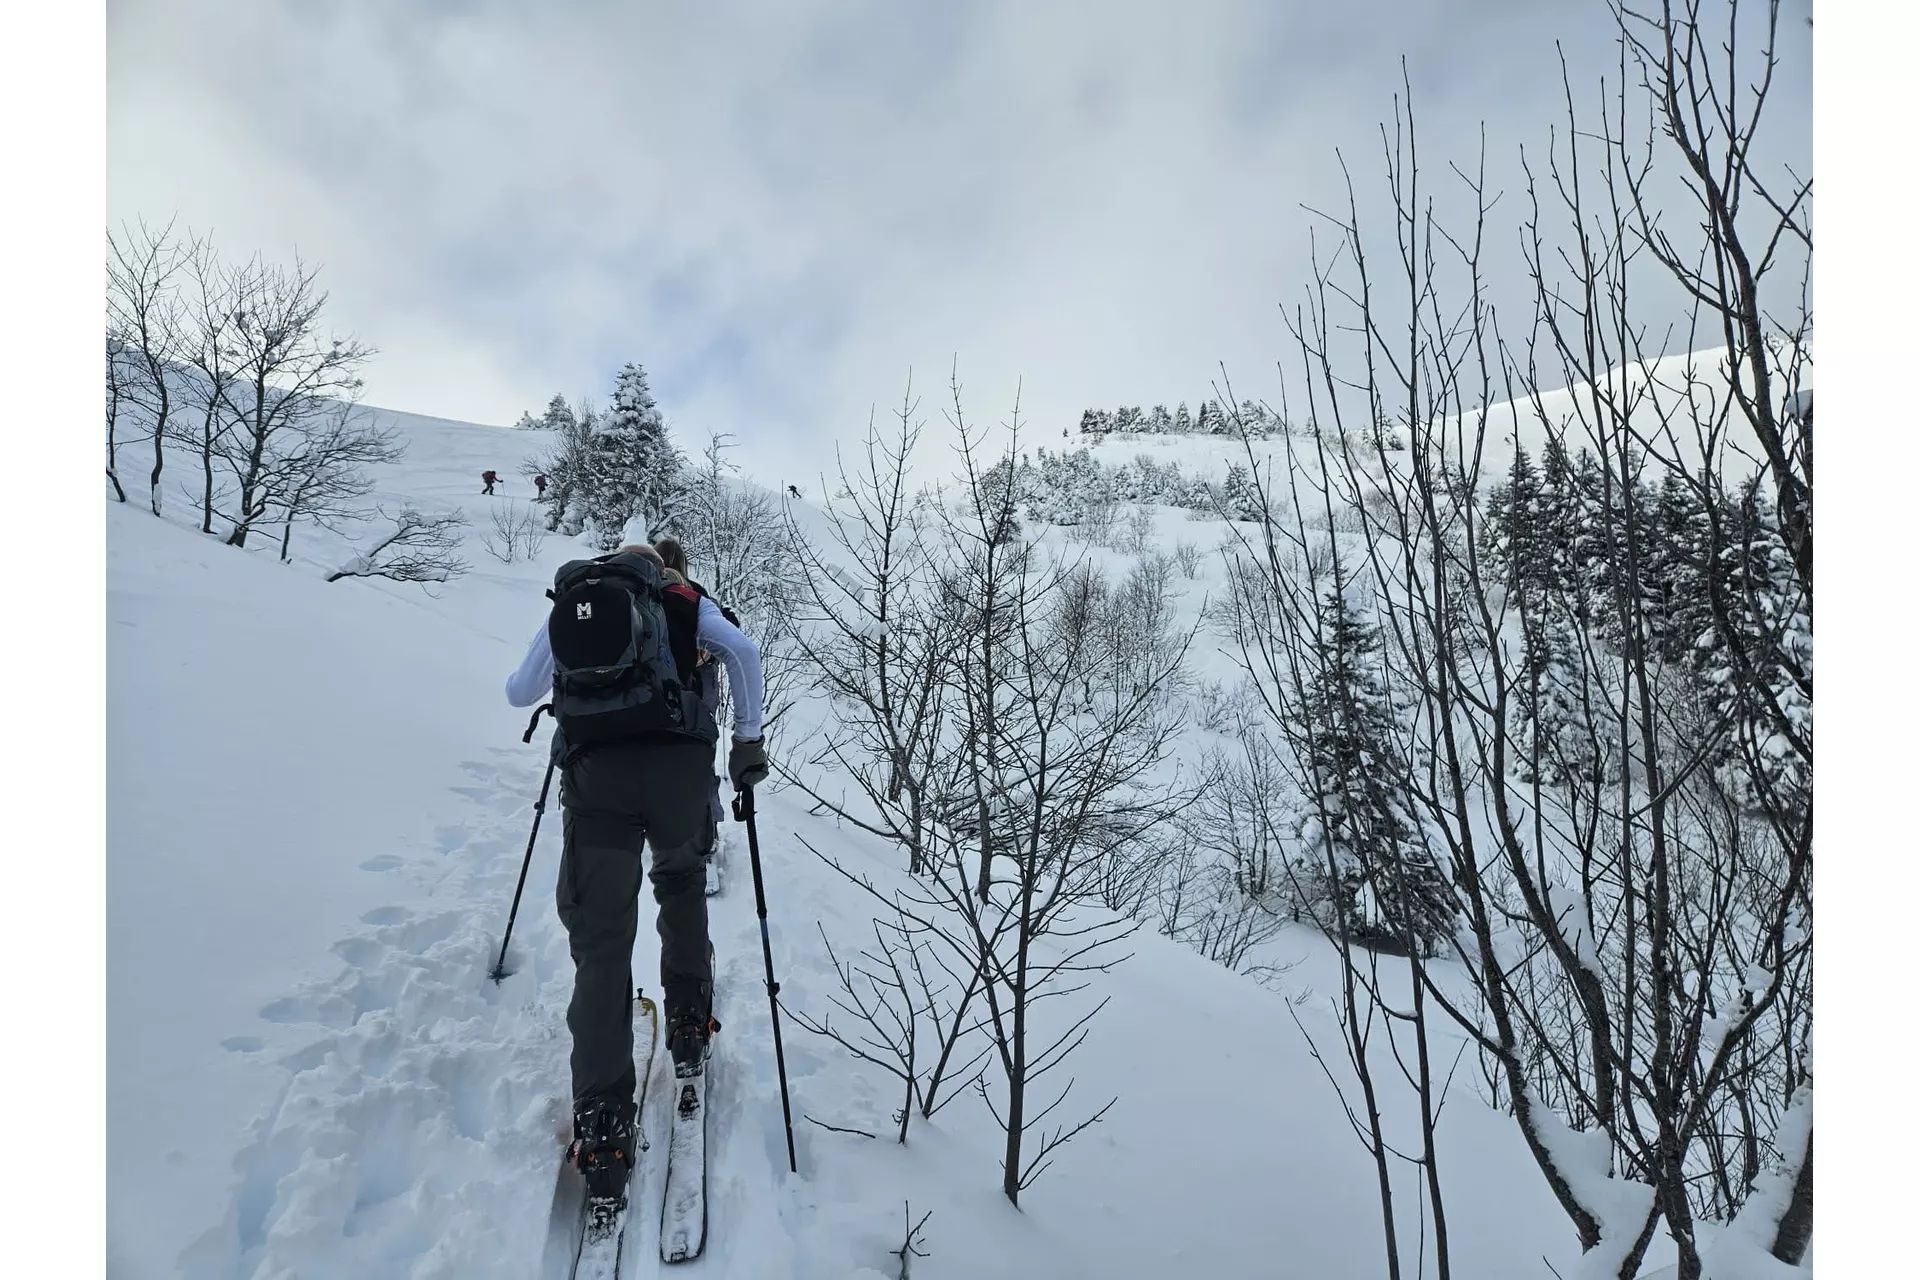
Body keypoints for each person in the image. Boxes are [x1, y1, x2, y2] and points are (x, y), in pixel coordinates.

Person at [504, 542, 769, 1202]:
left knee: (600, 950)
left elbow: (518, 693)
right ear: (664, 568)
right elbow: (746, 653)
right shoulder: (684, 602)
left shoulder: (579, 602)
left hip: (596, 784)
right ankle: (687, 1024)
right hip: (678, 775)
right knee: (680, 885)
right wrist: (747, 741)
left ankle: (601, 1124)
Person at [652, 536, 739, 874]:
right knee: (699, 766)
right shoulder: (697, 597)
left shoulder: (640, 595)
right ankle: (705, 836)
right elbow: (731, 640)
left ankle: (657, 828)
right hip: (697, 695)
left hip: (649, 696)